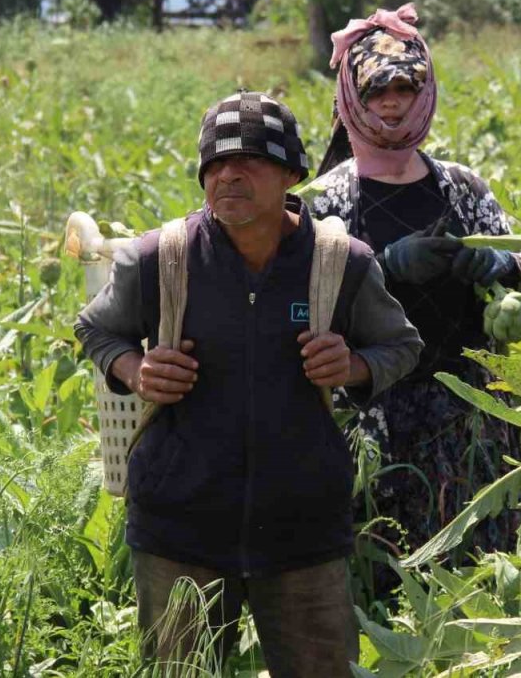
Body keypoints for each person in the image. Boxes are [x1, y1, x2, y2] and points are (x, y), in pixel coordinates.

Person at [74, 91, 423, 675]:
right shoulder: (161, 259)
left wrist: (354, 366)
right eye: (215, 164)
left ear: (291, 174)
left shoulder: (340, 263)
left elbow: (402, 346)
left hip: (302, 529)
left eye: (251, 161)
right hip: (179, 523)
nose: (229, 175)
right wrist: (136, 370)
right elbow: (95, 329)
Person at [301, 4, 521, 591]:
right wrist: (382, 270)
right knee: (382, 579)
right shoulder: (326, 200)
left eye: (405, 87)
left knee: (475, 579)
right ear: (352, 97)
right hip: (367, 416)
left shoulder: (461, 186)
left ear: (425, 92)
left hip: (471, 417)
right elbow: (300, 306)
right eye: (375, 88)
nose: (391, 101)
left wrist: (497, 264)